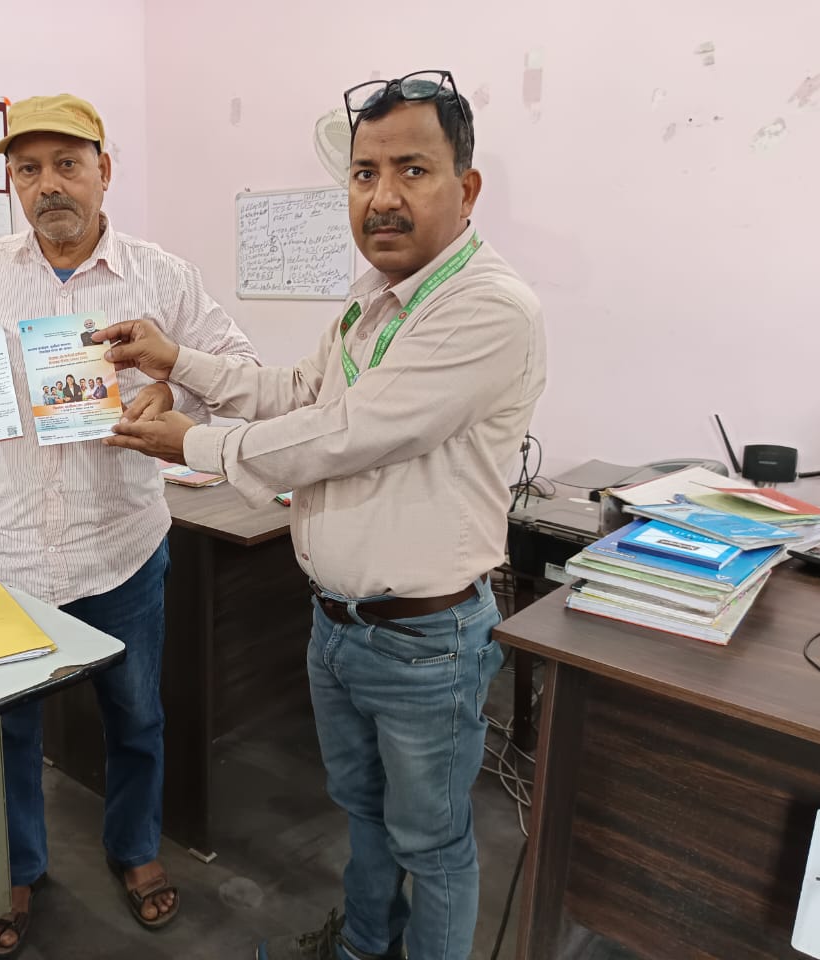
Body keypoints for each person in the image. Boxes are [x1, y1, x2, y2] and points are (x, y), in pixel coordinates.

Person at [97, 70, 546, 960]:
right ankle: (364, 945)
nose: (382, 197)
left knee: (434, 844)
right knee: (363, 814)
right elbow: (300, 391)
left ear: (465, 189)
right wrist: (178, 359)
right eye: (364, 173)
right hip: (337, 627)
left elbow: (345, 434)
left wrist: (196, 442)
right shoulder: (372, 297)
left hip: (424, 641)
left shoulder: (489, 308)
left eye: (412, 170)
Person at [0, 93, 257, 957]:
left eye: (67, 164)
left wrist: (174, 387)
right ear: (14, 182)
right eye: (28, 169)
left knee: (136, 717)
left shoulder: (161, 276)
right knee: (9, 728)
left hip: (120, 544)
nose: (48, 185)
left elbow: (241, 366)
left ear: (104, 171)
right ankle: (15, 867)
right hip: (9, 546)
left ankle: (135, 849)